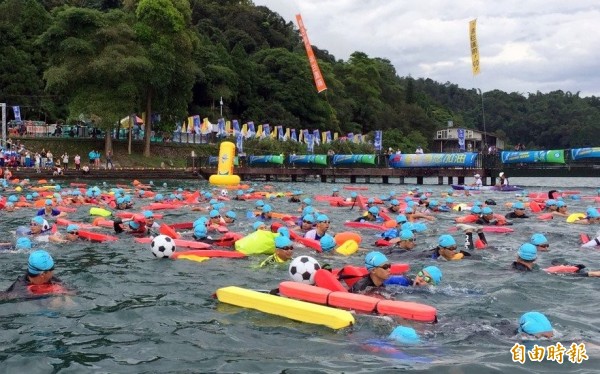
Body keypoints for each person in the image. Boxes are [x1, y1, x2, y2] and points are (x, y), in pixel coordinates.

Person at [0, 250, 70, 300]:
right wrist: (52, 296)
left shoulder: (50, 278)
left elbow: (71, 290)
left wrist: (66, 294)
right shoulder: (19, 292)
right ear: (43, 274)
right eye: (52, 269)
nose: (53, 271)